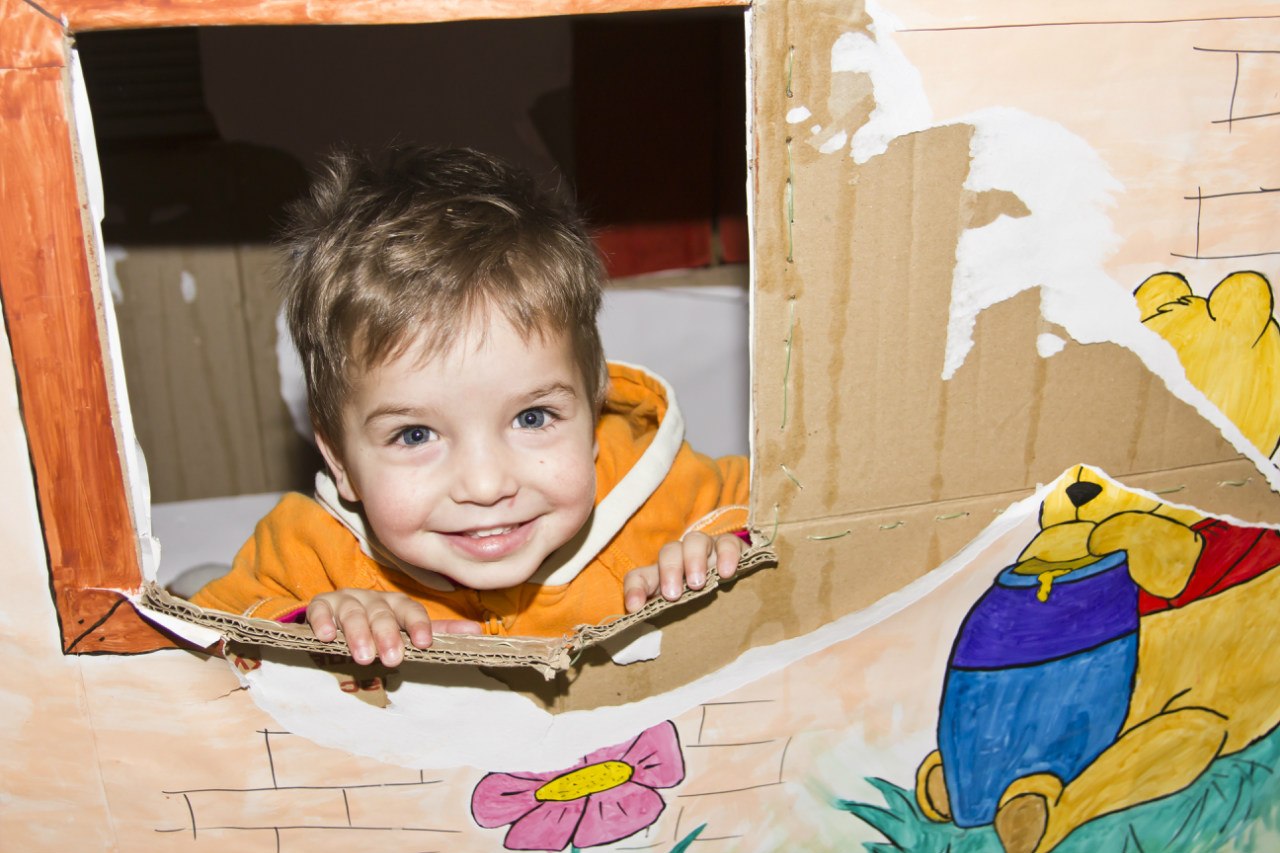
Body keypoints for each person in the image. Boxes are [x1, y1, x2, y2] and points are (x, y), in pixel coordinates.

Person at [191, 146, 750, 667]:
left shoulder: (660, 490)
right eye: (415, 434)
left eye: (532, 418)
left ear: (592, 409)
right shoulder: (310, 550)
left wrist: (724, 545)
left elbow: (776, 505)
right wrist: (308, 625)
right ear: (339, 459)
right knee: (198, 581)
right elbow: (207, 635)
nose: (485, 487)